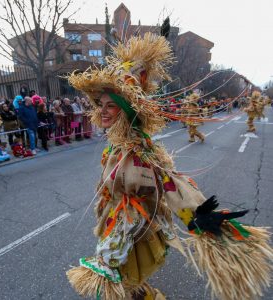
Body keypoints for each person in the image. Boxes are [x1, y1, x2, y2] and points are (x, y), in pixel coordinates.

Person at [66, 33, 273, 300]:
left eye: (111, 106)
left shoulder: (141, 150)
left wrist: (199, 217)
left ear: (127, 111)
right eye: (100, 105)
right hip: (114, 225)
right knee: (131, 287)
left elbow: (171, 183)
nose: (102, 111)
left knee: (124, 287)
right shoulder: (114, 146)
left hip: (133, 230)